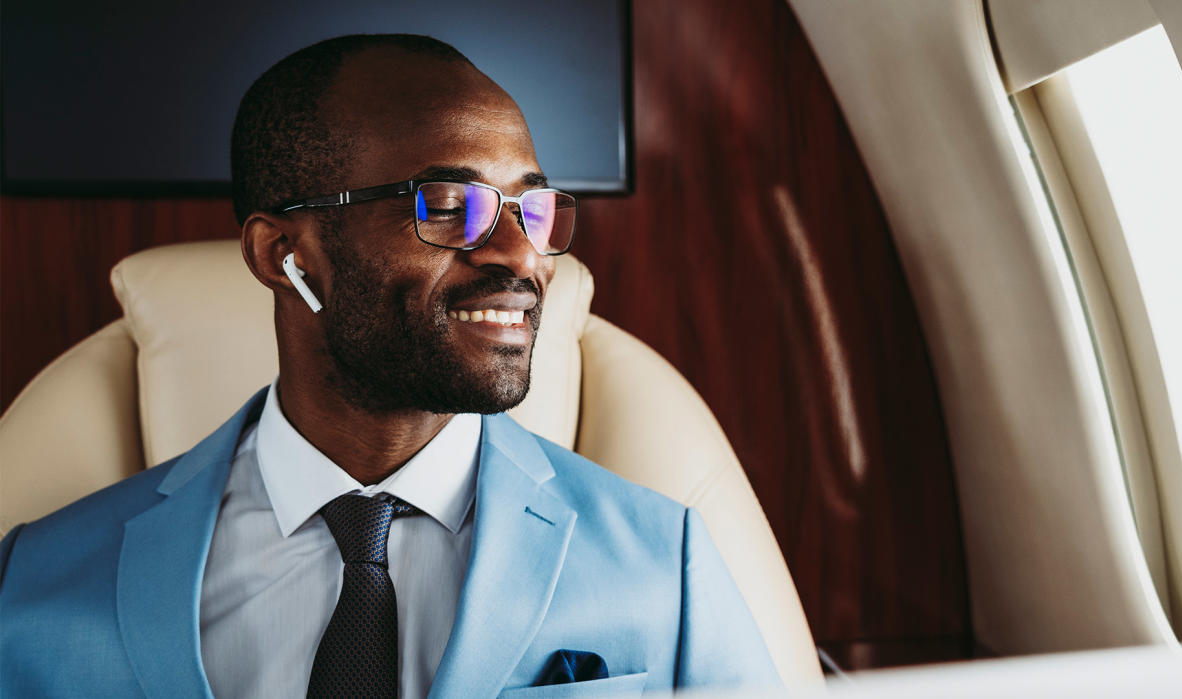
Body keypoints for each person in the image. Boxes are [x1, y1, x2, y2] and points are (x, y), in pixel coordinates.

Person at [0, 34, 779, 697]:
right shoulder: (33, 583)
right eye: (447, 206)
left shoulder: (665, 563)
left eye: (532, 211)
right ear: (284, 254)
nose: (523, 258)